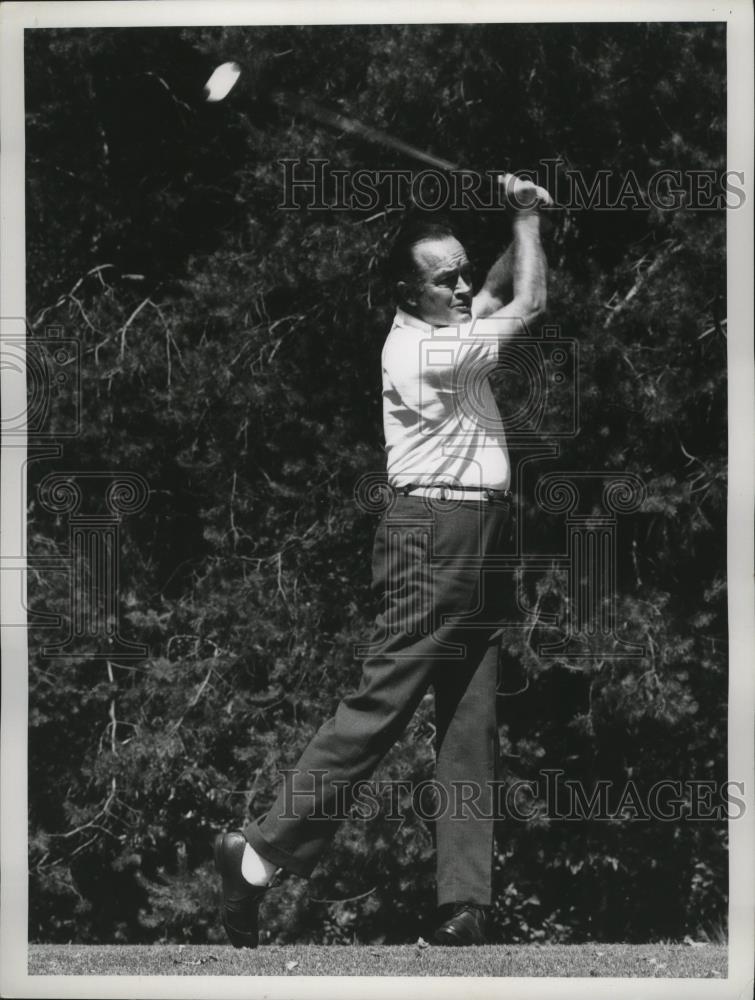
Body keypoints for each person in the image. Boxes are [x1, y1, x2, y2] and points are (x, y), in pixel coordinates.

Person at [214, 173, 551, 947]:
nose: (464, 286)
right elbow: (527, 305)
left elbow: (500, 287)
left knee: (470, 717)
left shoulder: (446, 320)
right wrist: (529, 218)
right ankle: (257, 852)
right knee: (381, 704)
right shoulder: (424, 351)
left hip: (479, 534)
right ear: (409, 290)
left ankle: (463, 905)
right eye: (447, 278)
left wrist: (517, 222)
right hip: (432, 534)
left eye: (463, 270)